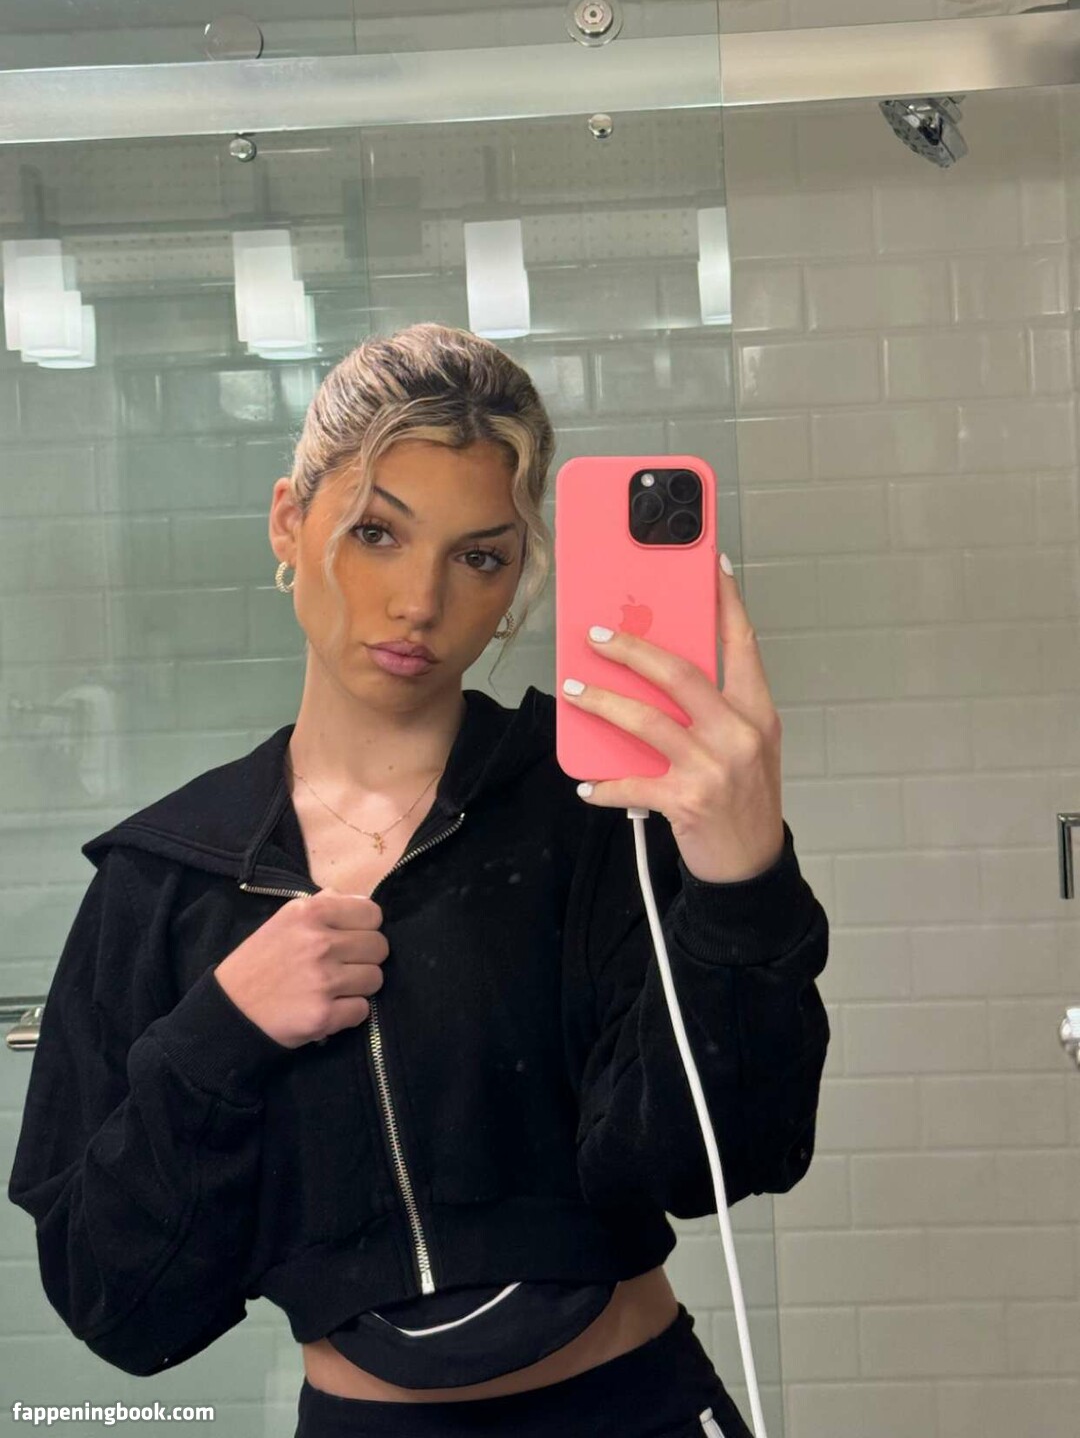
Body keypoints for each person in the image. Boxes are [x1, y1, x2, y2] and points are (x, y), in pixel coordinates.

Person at [8, 322, 830, 1438]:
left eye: (480, 556)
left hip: (633, 1406)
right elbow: (118, 1304)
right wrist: (222, 1032)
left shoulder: (599, 815)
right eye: (376, 533)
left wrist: (742, 881)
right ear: (289, 522)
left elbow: (719, 1163)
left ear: (519, 574)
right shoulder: (164, 881)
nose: (419, 603)